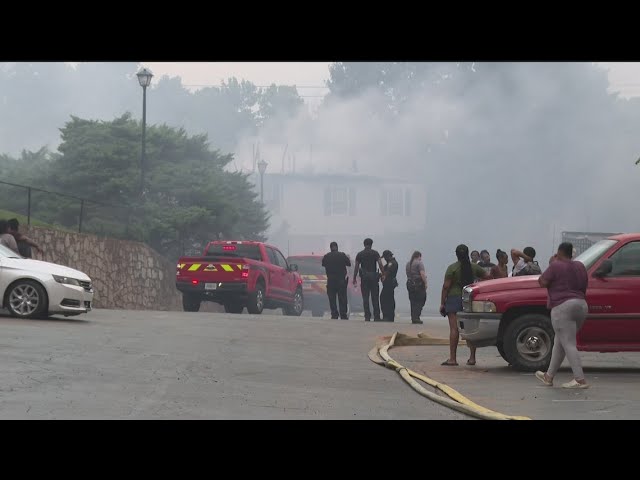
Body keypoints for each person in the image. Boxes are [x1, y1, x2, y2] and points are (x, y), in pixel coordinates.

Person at [535, 242, 590, 389]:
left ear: (559, 252)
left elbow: (542, 282)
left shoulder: (556, 265)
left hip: (562, 306)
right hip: (581, 305)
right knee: (560, 341)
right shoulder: (580, 266)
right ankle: (549, 376)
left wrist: (552, 263)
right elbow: (585, 285)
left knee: (569, 343)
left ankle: (579, 379)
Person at [440, 244, 491, 366]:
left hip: (453, 299)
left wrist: (442, 303)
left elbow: (446, 286)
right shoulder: (474, 267)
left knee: (454, 329)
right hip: (469, 298)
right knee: (470, 329)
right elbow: (488, 278)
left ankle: (453, 359)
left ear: (456, 254)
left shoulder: (452, 268)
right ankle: (472, 358)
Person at [352, 238, 385, 322]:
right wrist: (383, 274)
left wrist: (354, 278)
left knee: (365, 298)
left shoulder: (360, 254)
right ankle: (376, 316)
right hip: (374, 278)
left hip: (364, 278)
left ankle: (367, 316)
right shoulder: (375, 253)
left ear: (364, 244)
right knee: (375, 297)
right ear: (371, 244)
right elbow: (380, 264)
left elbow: (356, 267)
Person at [322, 241, 351, 320]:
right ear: (337, 247)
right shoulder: (342, 255)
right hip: (341, 280)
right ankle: (343, 315)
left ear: (330, 247)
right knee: (342, 298)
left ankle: (334, 314)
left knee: (332, 298)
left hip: (331, 280)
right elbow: (349, 264)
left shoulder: (327, 256)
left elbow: (323, 264)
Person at [406, 250, 428, 324]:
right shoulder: (419, 263)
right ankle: (416, 317)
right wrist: (425, 283)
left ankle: (413, 317)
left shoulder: (408, 264)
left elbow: (408, 274)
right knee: (421, 300)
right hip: (418, 284)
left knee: (413, 301)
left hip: (409, 284)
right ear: (419, 256)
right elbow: (422, 274)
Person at [379, 250, 398, 322]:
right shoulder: (390, 263)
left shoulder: (392, 263)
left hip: (389, 283)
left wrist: (383, 275)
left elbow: (387, 272)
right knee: (388, 299)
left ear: (387, 256)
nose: (385, 259)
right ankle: (388, 316)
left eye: (385, 257)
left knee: (385, 299)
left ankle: (387, 316)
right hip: (388, 283)